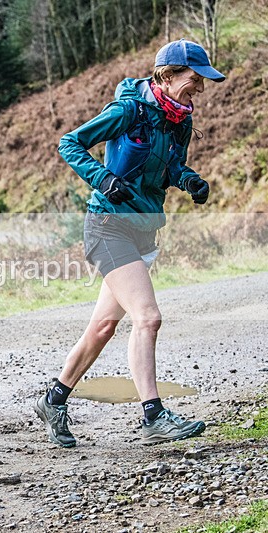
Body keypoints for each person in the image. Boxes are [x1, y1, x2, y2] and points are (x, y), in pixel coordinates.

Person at [34, 39, 225, 447]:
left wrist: (186, 178)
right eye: (194, 80)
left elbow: (168, 164)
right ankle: (153, 415)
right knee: (148, 317)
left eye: (203, 82)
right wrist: (103, 178)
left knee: (103, 327)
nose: (201, 89)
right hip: (107, 225)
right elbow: (70, 142)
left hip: (143, 228)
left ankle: (53, 399)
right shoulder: (128, 109)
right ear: (167, 75)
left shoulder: (180, 120)